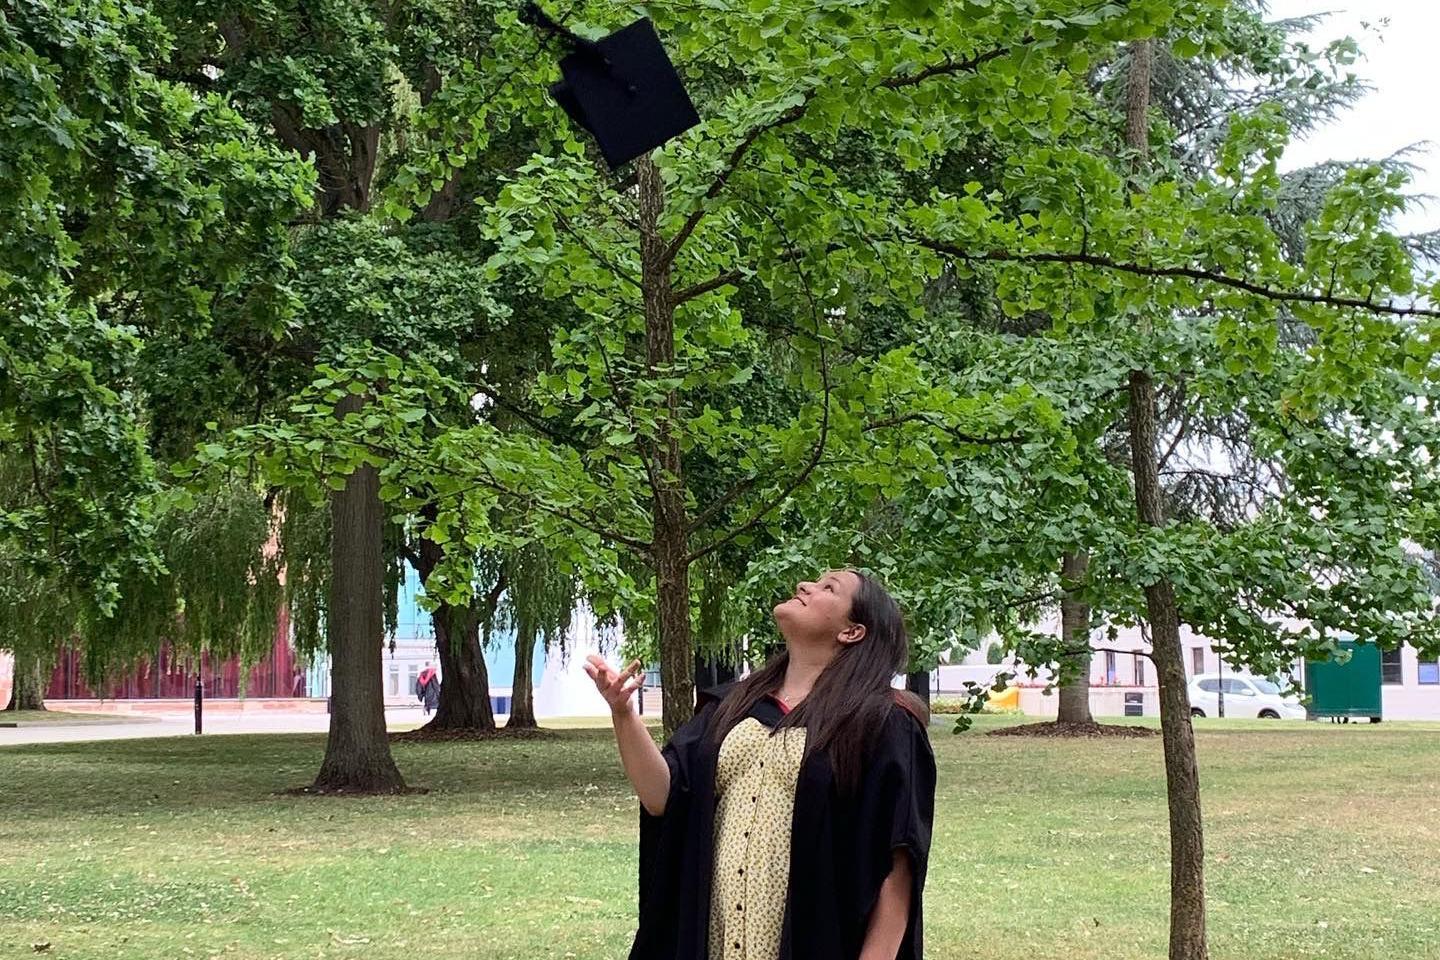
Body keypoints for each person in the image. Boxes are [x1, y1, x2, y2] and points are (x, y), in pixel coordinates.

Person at [585, 569, 936, 960]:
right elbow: (661, 796)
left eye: (828, 588)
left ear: (851, 631)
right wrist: (623, 713)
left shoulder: (883, 722)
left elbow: (899, 864)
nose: (804, 586)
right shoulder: (732, 706)